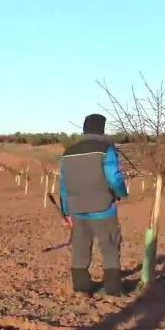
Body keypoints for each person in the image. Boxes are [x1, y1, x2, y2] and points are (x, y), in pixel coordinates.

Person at [57, 113, 129, 296]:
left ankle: (81, 287)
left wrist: (66, 211)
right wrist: (122, 193)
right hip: (103, 208)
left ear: (84, 128)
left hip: (77, 210)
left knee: (80, 247)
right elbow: (114, 177)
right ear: (102, 128)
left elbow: (63, 185)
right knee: (110, 246)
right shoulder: (106, 149)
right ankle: (113, 288)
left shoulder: (68, 152)